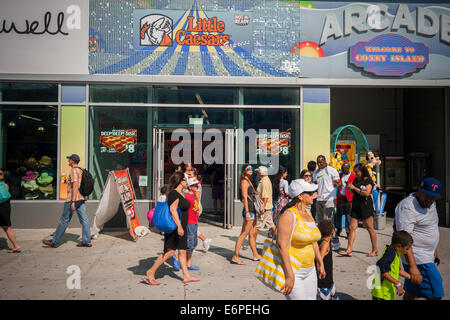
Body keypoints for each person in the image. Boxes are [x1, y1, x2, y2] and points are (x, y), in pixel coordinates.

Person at [143, 172, 200, 285]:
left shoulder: (181, 193)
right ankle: (151, 271)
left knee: (182, 252)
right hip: (175, 228)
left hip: (182, 227)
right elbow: (173, 210)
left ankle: (186, 276)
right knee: (170, 252)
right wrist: (179, 227)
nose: (186, 182)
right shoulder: (174, 193)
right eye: (185, 180)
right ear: (180, 181)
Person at [394, 177, 444, 300]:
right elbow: (404, 239)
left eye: (434, 197)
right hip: (419, 259)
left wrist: (433, 249)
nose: (430, 200)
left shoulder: (431, 203)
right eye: (427, 195)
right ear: (419, 190)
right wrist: (413, 267)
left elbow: (431, 225)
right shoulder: (408, 207)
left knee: (412, 293)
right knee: (435, 294)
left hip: (427, 255)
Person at [277, 179, 326, 300]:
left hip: (310, 270)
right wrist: (289, 275)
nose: (314, 195)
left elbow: (312, 241)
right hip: (294, 271)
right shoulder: (288, 215)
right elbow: (282, 247)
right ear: (300, 196)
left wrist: (320, 262)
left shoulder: (307, 213)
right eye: (310, 193)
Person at [43, 154, 92, 248]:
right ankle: (86, 241)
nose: (68, 161)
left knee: (64, 220)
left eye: (69, 159)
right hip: (81, 198)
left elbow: (75, 186)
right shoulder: (81, 170)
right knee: (84, 220)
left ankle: (55, 241)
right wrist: (66, 181)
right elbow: (75, 183)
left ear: (72, 161)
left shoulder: (74, 170)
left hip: (73, 199)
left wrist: (73, 201)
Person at [338, 163, 378, 257]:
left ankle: (375, 249)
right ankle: (349, 250)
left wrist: (354, 188)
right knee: (352, 228)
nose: (356, 173)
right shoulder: (356, 179)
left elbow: (367, 193)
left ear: (363, 171)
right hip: (356, 206)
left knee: (369, 228)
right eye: (355, 172)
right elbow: (354, 191)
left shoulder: (368, 180)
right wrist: (350, 188)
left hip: (365, 206)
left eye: (357, 172)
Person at [232, 164, 261, 265]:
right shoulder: (244, 182)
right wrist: (247, 212)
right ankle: (235, 256)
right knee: (243, 234)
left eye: (251, 169)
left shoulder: (249, 181)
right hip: (249, 211)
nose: (251, 170)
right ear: (243, 171)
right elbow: (244, 197)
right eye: (248, 169)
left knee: (252, 234)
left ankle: (255, 255)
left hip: (253, 210)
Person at [371, 231, 413, 300]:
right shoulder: (390, 254)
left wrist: (410, 277)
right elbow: (383, 272)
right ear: (398, 246)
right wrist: (398, 284)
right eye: (407, 249)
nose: (407, 251)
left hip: (385, 293)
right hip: (382, 293)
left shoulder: (394, 253)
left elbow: (396, 269)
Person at [312, 155, 340, 221]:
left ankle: (331, 231)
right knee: (320, 221)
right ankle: (322, 232)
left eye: (320, 162)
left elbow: (338, 183)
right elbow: (315, 185)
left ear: (325, 161)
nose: (319, 164)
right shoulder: (316, 173)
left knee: (328, 220)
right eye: (317, 163)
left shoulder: (332, 170)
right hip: (319, 199)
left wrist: (337, 184)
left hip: (329, 199)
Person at [0, 169, 21, 253]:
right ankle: (16, 246)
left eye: (0, 174)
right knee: (6, 227)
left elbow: (3, 197)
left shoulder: (4, 184)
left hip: (3, 208)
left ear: (4, 176)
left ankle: (16, 245)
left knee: (7, 227)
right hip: (4, 207)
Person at [184, 177, 202, 270]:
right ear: (190, 187)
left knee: (194, 242)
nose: (197, 187)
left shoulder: (194, 195)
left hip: (194, 221)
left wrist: (197, 197)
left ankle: (188, 263)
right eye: (195, 185)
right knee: (190, 243)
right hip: (189, 222)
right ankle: (182, 261)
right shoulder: (187, 196)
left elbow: (196, 207)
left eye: (197, 185)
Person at [317, 220, 336, 300]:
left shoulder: (324, 241)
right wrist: (320, 268)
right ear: (332, 231)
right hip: (324, 281)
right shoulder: (325, 244)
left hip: (328, 279)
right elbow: (319, 259)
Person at [336, 162, 355, 238]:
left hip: (349, 198)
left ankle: (348, 232)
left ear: (348, 168)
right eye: (341, 169)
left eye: (343, 169)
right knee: (339, 215)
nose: (342, 170)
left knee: (348, 216)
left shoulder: (353, 176)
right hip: (340, 198)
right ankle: (339, 229)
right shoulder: (340, 175)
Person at [255, 166, 276, 236]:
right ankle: (281, 241)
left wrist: (262, 208)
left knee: (257, 226)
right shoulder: (265, 180)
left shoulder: (264, 182)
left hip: (265, 208)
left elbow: (265, 196)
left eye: (258, 171)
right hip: (267, 207)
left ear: (261, 173)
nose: (257, 173)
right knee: (271, 225)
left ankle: (252, 243)